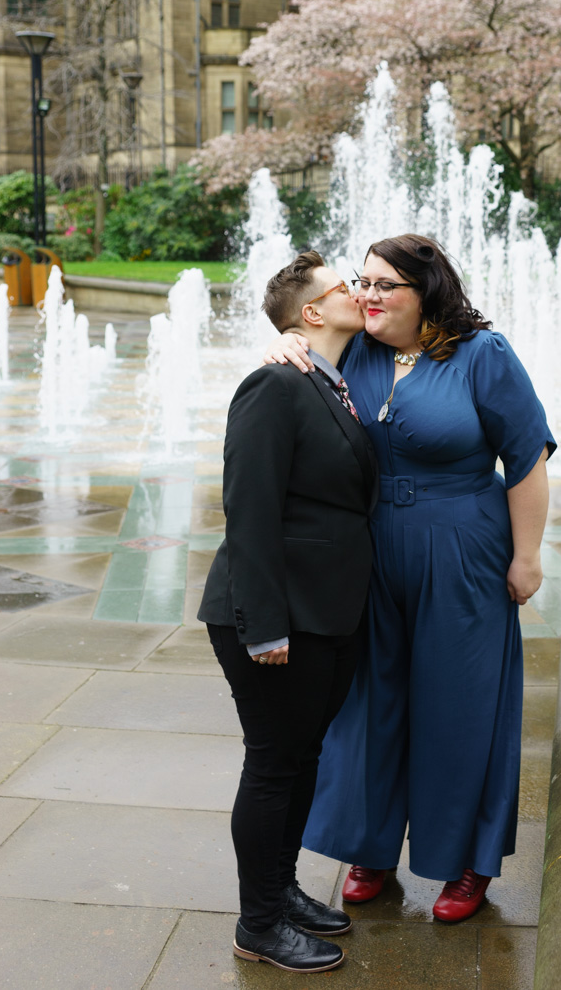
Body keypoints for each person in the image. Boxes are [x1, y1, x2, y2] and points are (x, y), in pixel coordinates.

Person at [264, 233, 555, 923]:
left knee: (459, 707)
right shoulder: (352, 348)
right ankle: (367, 847)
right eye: (361, 282)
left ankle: (466, 862)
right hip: (368, 554)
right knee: (366, 705)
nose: (365, 295)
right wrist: (277, 345)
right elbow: (292, 355)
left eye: (383, 285)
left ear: (425, 292)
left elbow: (526, 459)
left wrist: (527, 555)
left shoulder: (484, 355)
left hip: (461, 550)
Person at [198, 251, 378, 972]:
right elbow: (249, 510)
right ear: (310, 313)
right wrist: (263, 623)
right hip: (278, 615)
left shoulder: (327, 381)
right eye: (347, 287)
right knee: (274, 764)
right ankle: (259, 923)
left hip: (326, 610)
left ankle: (280, 889)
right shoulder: (274, 385)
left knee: (301, 759)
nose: (362, 294)